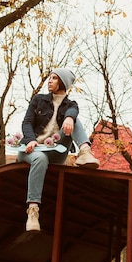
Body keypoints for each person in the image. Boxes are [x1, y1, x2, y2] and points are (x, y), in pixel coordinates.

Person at [17, 68, 100, 231]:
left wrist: (69, 117)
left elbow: (73, 111)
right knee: (39, 158)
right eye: (50, 78)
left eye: (54, 78)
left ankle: (84, 152)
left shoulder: (71, 105)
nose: (49, 81)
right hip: (31, 149)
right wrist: (31, 140)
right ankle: (33, 212)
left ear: (62, 82)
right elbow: (26, 123)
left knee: (74, 119)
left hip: (55, 150)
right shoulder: (38, 100)